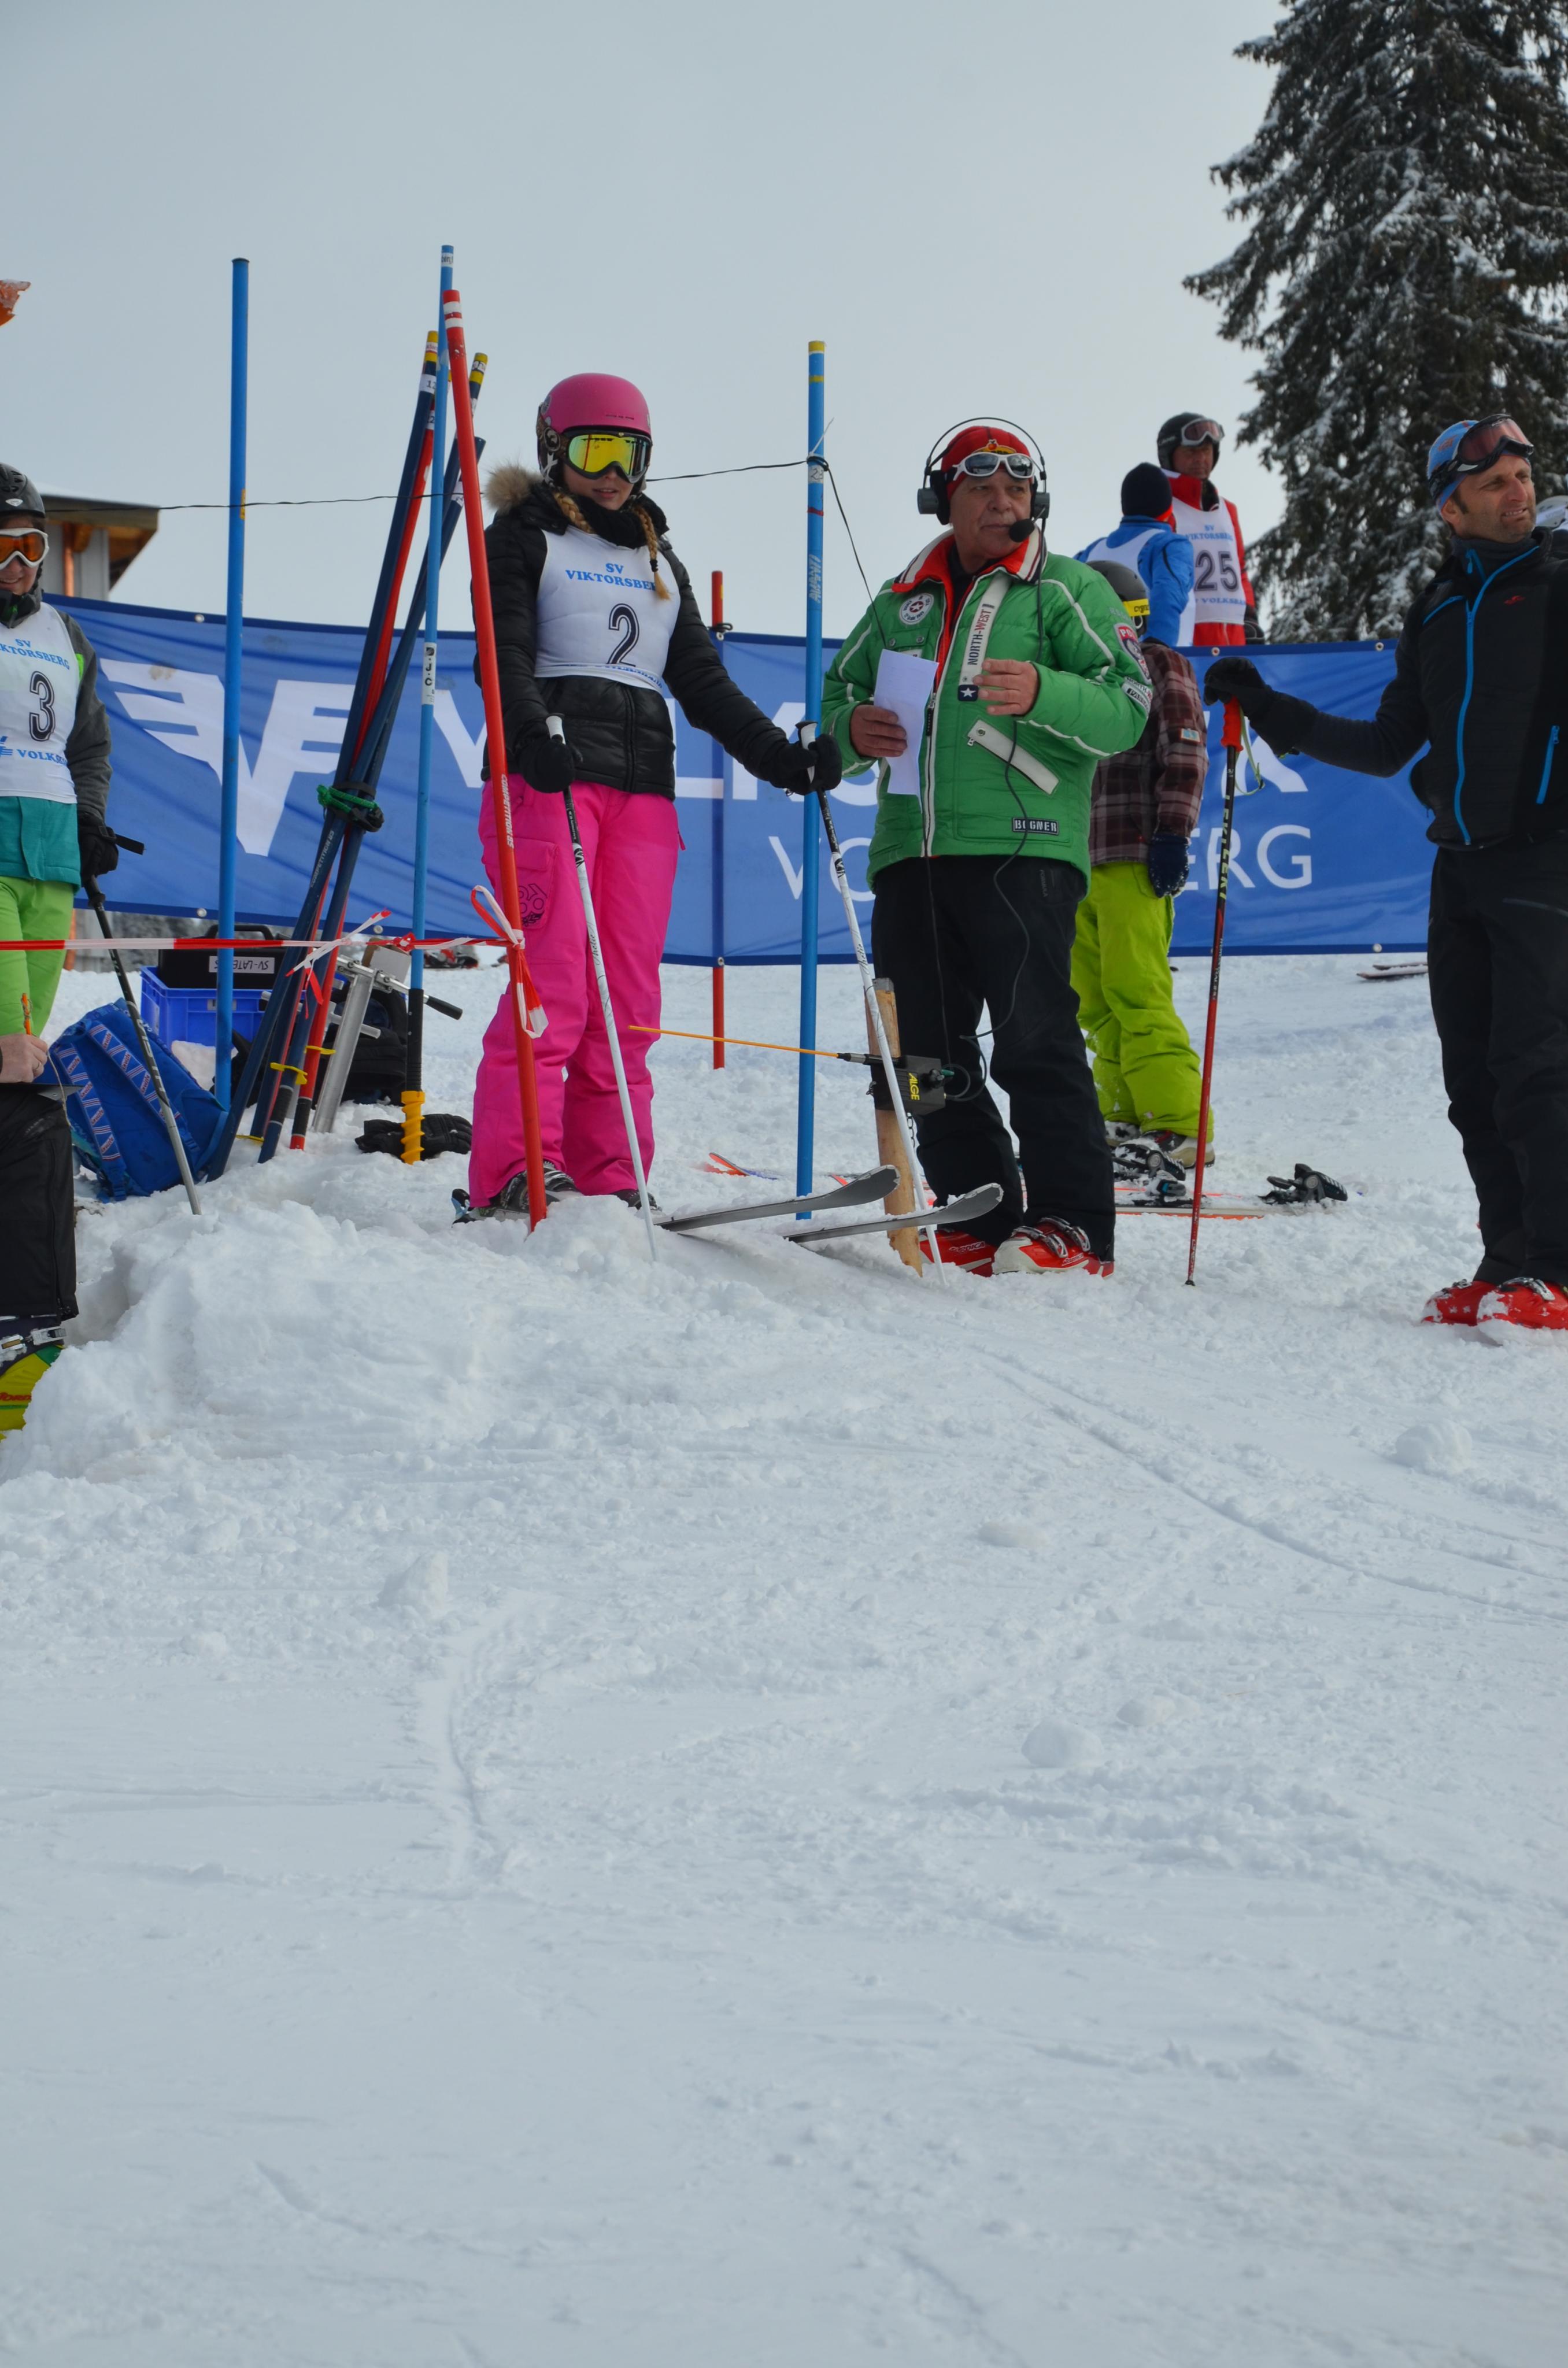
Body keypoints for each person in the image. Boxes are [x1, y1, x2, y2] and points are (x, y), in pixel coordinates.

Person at [1205, 412, 1568, 1333]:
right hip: (1461, 867)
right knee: (1473, 1079)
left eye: (1523, 476)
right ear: (1452, 509)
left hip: (1548, 856)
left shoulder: (1560, 584)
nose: (1518, 492)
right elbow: (1388, 743)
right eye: (1494, 484)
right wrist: (1274, 711)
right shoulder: (1436, 610)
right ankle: (1508, 1262)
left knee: (1536, 1068)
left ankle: (1559, 1270)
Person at [467, 374, 839, 1215]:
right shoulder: (521, 537)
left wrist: (780, 759)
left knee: (627, 999)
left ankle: (612, 1176)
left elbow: (702, 681)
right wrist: (528, 738)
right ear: (555, 451)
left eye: (629, 455)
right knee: (553, 984)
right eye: (594, 451)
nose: (613, 474)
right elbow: (504, 654)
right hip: (550, 781)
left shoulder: (658, 558)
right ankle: (519, 1168)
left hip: (643, 793)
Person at [818, 421, 1151, 1278]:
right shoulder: (900, 602)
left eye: (1018, 487)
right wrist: (851, 729)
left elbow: (1129, 707)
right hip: (910, 851)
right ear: (945, 498)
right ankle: (976, 1207)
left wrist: (1045, 690)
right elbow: (835, 701)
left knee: (1034, 1039)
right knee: (924, 1053)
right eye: (982, 487)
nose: (1004, 501)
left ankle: (1074, 1223)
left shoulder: (1067, 589)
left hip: (1023, 846)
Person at [0, 465, 116, 1430]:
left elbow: (87, 746)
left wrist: (90, 820)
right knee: (9, 1050)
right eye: (2, 545)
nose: (18, 562)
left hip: (47, 864)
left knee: (19, 1056)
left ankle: (21, 1302)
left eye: (31, 545)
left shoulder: (64, 636)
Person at [1071, 558, 1210, 1165]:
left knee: (1137, 991)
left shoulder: (1158, 663)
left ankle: (1179, 1124)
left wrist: (1172, 834)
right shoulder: (1078, 676)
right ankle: (1125, 1114)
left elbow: (1186, 748)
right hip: (1078, 858)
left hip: (1132, 850)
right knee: (1093, 998)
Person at [1156, 413, 1261, 646]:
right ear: (1169, 456)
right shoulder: (1163, 509)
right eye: (1190, 452)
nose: (1201, 458)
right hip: (1188, 642)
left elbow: (1240, 570)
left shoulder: (1228, 510)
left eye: (1206, 451)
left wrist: (1249, 617)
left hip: (1234, 639)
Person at [1077, 465, 1196, 646]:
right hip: (1154, 660)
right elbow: (1168, 595)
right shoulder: (1168, 545)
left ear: (1124, 507)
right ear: (1168, 507)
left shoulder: (1092, 551)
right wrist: (1157, 650)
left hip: (1092, 658)